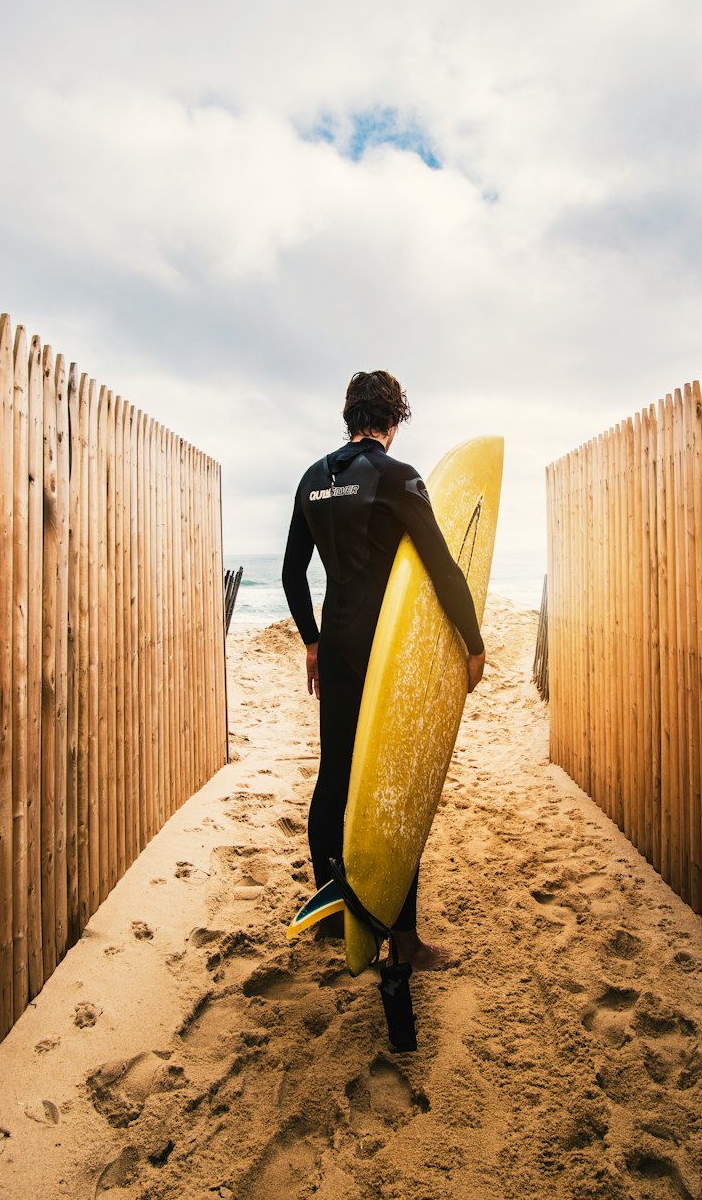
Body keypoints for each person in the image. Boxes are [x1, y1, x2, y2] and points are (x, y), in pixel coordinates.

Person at [282, 370, 485, 972]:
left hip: (338, 642)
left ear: (350, 417)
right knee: (395, 785)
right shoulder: (398, 476)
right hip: (384, 651)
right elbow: (443, 566)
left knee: (335, 776)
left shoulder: (313, 478)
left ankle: (333, 914)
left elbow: (294, 574)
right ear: (394, 421)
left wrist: (312, 641)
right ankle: (405, 942)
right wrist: (472, 642)